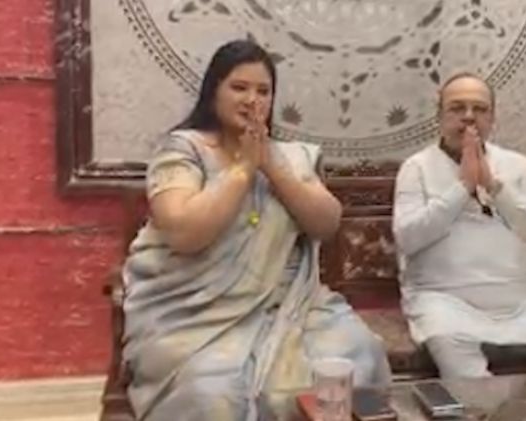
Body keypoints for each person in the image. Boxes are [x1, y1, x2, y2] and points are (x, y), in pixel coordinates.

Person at [122, 39, 391, 421]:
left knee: (359, 354)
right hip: (196, 312)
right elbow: (184, 232)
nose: (252, 100)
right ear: (213, 91)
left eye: (263, 91)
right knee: (213, 394)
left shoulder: (291, 156)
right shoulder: (184, 150)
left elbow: (327, 223)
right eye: (239, 87)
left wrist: (270, 166)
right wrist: (242, 170)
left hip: (292, 306)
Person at [392, 72, 526, 379]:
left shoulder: (518, 166)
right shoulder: (417, 168)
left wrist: (495, 187)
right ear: (439, 115)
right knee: (448, 341)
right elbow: (407, 238)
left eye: (480, 109)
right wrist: (462, 188)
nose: (469, 117)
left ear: (492, 118)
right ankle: (489, 405)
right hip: (446, 300)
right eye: (457, 108)